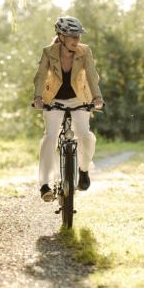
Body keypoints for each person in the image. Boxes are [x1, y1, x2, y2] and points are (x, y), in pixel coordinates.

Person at [33, 16, 104, 202]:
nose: (76, 40)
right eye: (72, 36)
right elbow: (40, 76)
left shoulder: (85, 51)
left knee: (85, 135)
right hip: (53, 100)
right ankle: (45, 184)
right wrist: (38, 97)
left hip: (78, 99)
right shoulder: (49, 52)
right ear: (61, 36)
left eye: (78, 36)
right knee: (50, 137)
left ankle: (84, 169)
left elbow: (91, 75)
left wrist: (97, 97)